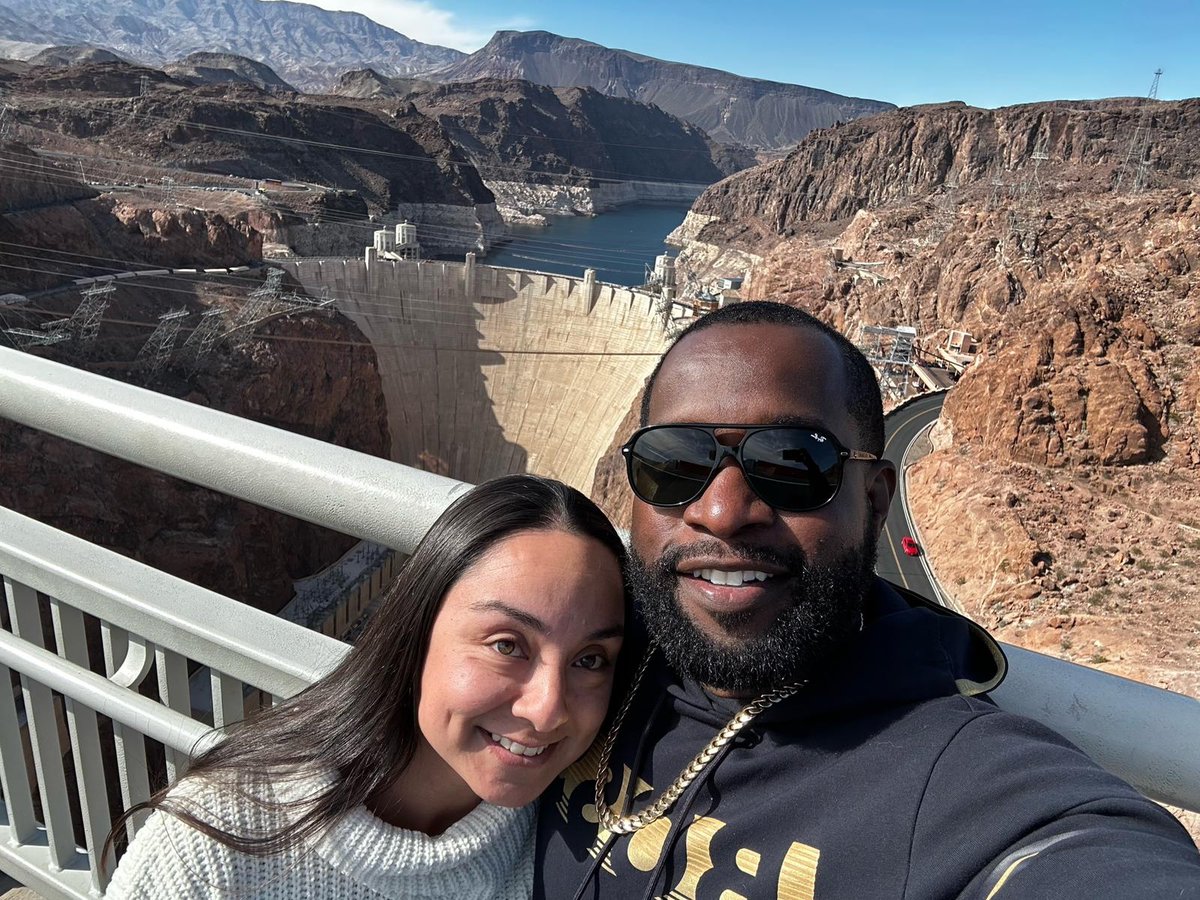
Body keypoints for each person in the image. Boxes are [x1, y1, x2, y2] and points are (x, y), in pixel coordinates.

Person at [535, 301, 1200, 899]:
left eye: (794, 463)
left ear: (877, 501)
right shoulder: (572, 663)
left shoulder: (957, 786)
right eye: (674, 462)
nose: (720, 511)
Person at [106, 474, 628, 899]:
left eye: (590, 659)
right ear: (417, 631)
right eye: (507, 645)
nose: (547, 711)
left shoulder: (573, 822)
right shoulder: (220, 842)